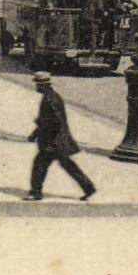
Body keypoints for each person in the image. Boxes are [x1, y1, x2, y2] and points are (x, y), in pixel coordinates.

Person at [23, 72, 96, 201]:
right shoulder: (51, 97)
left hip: (52, 141)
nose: (36, 87)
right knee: (67, 165)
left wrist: (40, 134)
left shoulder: (50, 99)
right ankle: (88, 187)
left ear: (42, 85)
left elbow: (54, 120)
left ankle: (36, 192)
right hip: (57, 140)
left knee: (39, 165)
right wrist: (35, 134)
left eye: (37, 85)